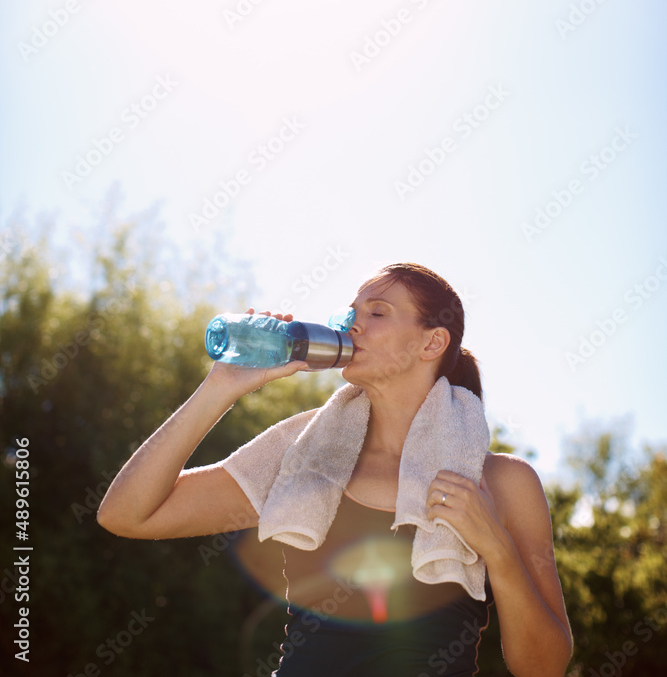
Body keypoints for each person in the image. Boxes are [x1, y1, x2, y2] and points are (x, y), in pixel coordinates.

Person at [97, 262, 573, 677]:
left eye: (377, 313)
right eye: (353, 313)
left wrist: (496, 547)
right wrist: (221, 386)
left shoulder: (502, 483)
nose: (353, 326)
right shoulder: (303, 451)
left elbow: (545, 666)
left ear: (432, 342)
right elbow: (126, 514)